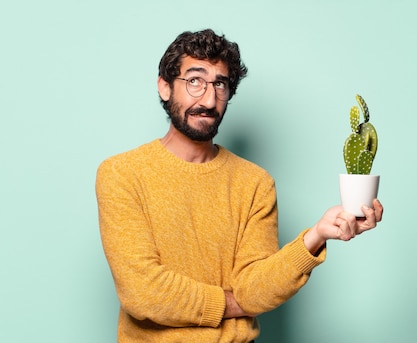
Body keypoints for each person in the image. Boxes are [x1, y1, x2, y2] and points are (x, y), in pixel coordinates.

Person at [96, 28, 383, 343]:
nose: (208, 98)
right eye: (194, 81)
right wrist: (234, 303)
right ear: (165, 87)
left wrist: (315, 236)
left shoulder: (255, 183)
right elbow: (144, 293)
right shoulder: (122, 174)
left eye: (220, 84)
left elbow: (256, 288)